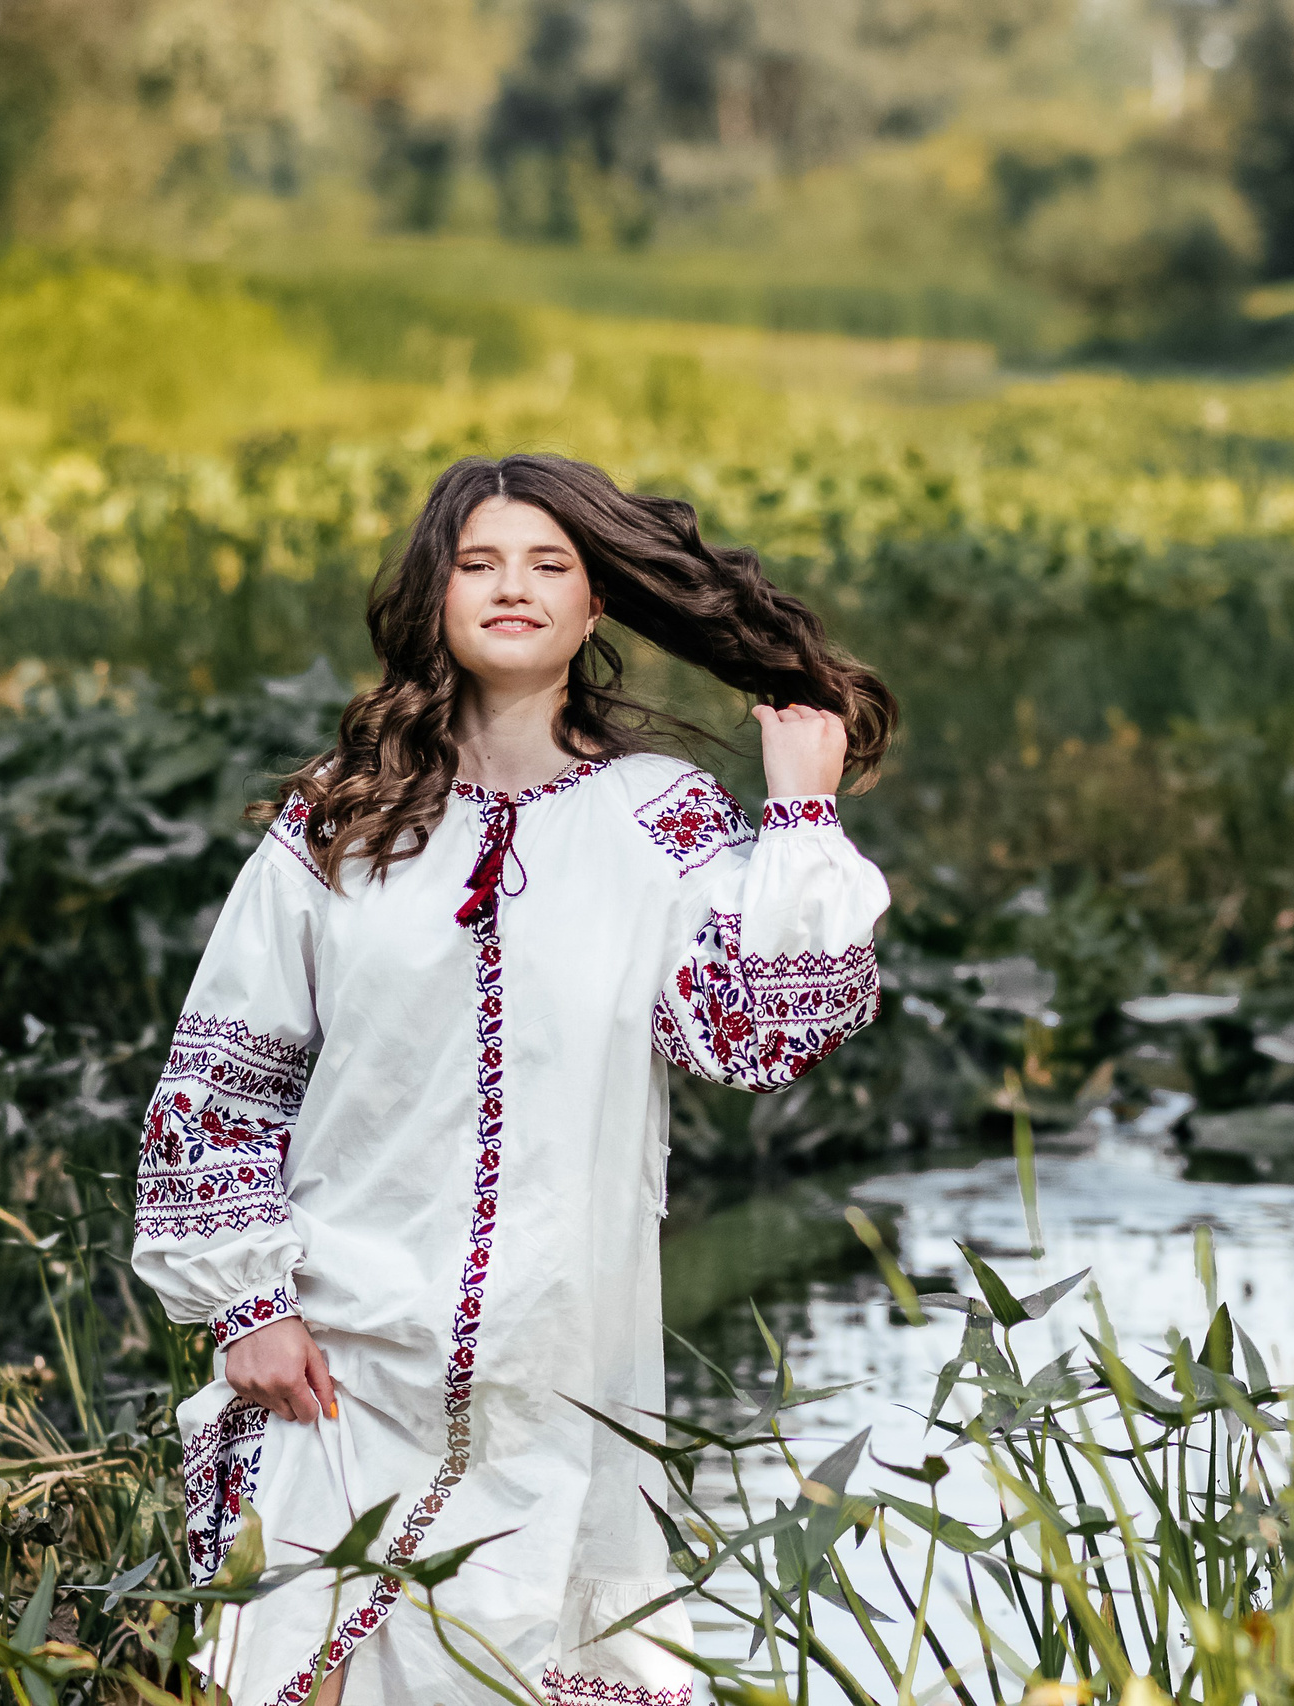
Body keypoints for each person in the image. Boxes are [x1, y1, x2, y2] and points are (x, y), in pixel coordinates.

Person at [131, 453, 895, 1706]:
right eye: (478, 563)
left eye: (549, 565)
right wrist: (244, 1304)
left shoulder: (666, 820)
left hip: (554, 1356)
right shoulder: (341, 817)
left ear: (597, 606)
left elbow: (758, 1035)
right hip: (339, 1341)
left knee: (517, 1661)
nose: (512, 588)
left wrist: (801, 814)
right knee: (298, 1671)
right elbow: (225, 1067)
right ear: (435, 595)